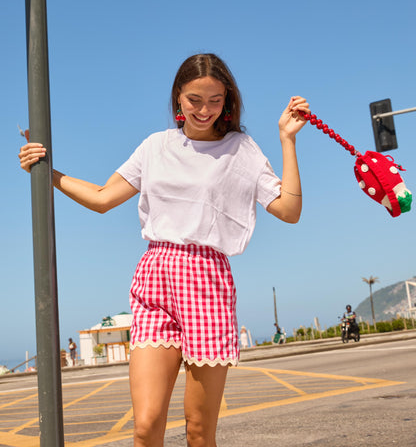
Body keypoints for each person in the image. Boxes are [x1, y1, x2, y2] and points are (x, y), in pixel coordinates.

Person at [19, 53, 310, 447]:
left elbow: (289, 210)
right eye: (194, 99)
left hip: (207, 282)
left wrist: (286, 140)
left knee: (198, 431)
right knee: (146, 425)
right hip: (156, 276)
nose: (204, 110)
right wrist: (47, 172)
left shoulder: (240, 150)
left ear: (227, 101)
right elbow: (104, 197)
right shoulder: (156, 146)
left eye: (214, 100)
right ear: (177, 98)